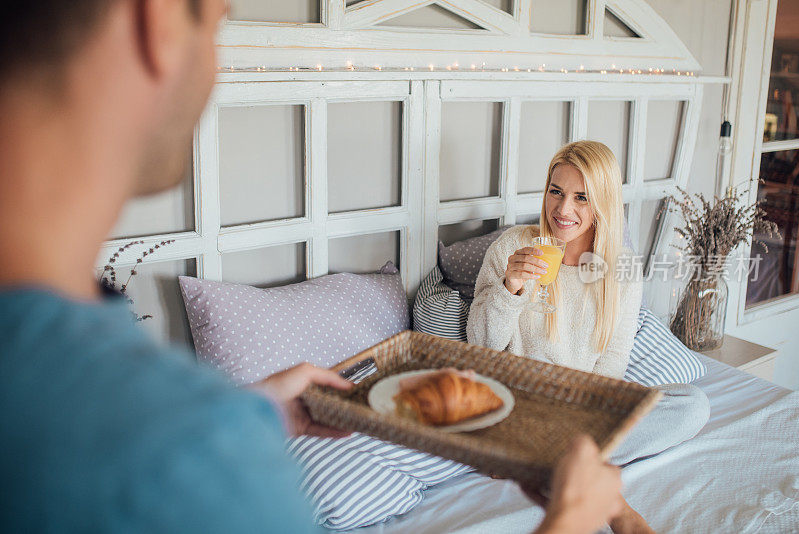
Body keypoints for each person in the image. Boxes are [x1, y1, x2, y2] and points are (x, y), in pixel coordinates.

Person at [0, 2, 622, 532]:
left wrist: (255, 412)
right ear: (157, 22)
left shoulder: (120, 411)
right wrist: (568, 518)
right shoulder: (201, 457)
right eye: (217, 21)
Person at [467, 140, 711, 534]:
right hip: (516, 409)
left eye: (582, 197)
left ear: (603, 202)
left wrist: (584, 422)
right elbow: (481, 347)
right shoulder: (513, 248)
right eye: (556, 192)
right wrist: (510, 287)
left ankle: (546, 464)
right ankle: (615, 510)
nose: (564, 210)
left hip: (580, 413)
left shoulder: (622, 272)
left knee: (693, 404)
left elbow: (611, 368)